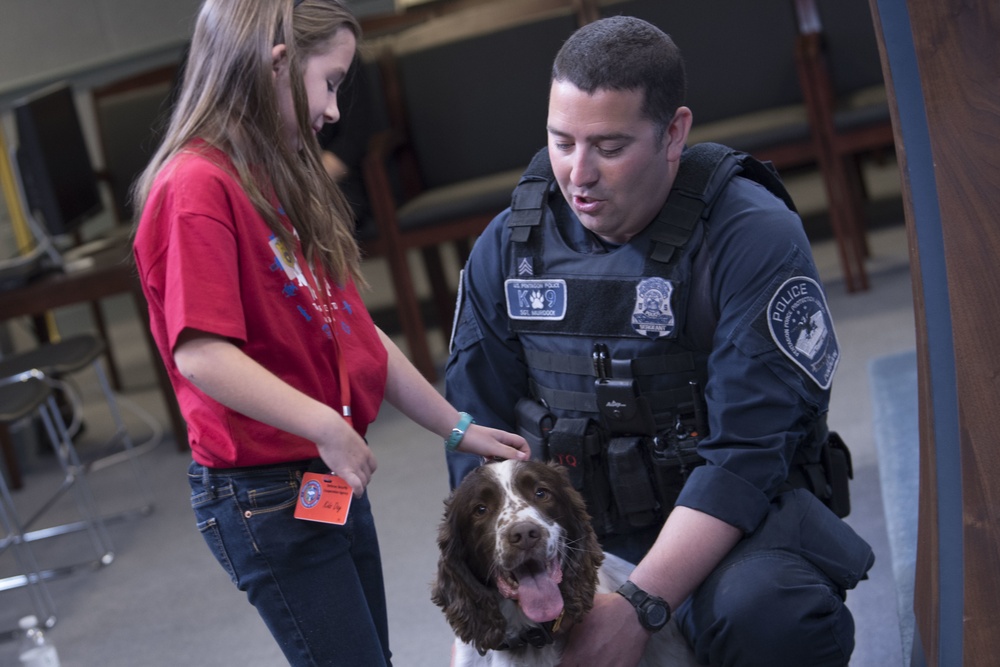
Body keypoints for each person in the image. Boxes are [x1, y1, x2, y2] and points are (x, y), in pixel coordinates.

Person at [444, 15, 874, 667]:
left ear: (674, 132)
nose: (577, 175)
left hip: (731, 529)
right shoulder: (508, 246)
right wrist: (510, 583)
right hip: (573, 538)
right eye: (561, 142)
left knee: (771, 614)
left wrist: (641, 603)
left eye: (609, 147)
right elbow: (476, 436)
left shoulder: (750, 234)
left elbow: (744, 457)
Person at [130, 1, 529, 665]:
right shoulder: (195, 186)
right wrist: (324, 423)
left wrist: (456, 425)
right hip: (267, 495)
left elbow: (354, 329)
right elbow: (201, 353)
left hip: (322, 478)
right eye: (331, 82)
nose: (335, 109)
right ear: (279, 64)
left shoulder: (272, 174)